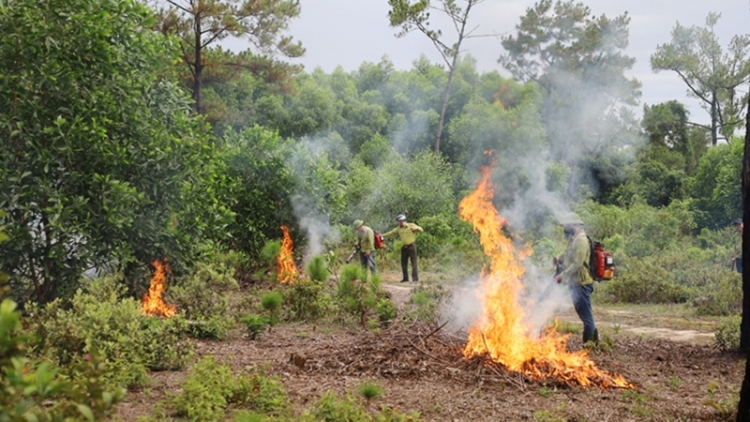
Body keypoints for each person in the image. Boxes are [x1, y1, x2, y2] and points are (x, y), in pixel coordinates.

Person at [554, 213, 598, 345]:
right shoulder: (573, 239)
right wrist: (559, 259)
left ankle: (591, 344)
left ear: (574, 225)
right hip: (575, 283)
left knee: (586, 316)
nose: (565, 228)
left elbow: (578, 264)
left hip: (582, 283)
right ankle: (590, 342)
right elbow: (568, 254)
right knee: (582, 313)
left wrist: (563, 275)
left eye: (567, 226)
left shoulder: (581, 240)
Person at [383, 214, 423, 283]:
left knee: (414, 263)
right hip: (404, 247)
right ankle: (405, 278)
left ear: (402, 221)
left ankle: (415, 279)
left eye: (399, 221)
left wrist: (416, 228)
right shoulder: (398, 229)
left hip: (411, 247)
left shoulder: (411, 225)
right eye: (398, 222)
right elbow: (391, 233)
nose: (398, 223)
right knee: (403, 263)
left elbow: (421, 230)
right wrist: (382, 235)